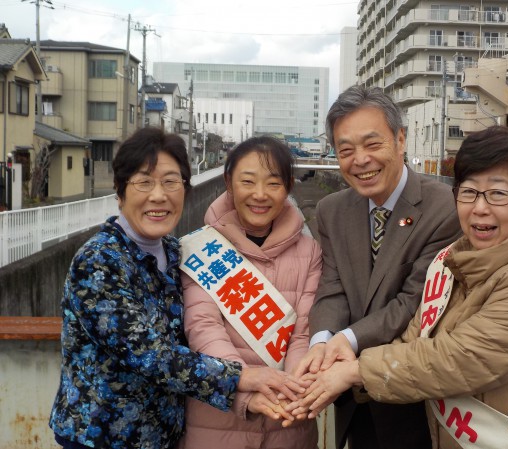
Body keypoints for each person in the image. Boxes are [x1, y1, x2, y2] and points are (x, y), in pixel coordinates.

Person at [298, 126, 508, 449]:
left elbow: (456, 359)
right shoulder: (456, 257)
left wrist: (355, 371)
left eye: (499, 194)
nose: (480, 207)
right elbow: (417, 334)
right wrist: (347, 361)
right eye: (468, 192)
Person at [49, 127, 305, 449]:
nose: (159, 196)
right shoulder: (98, 262)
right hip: (103, 436)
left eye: (171, 182)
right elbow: (148, 354)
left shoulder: (176, 251)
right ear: (120, 191)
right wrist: (242, 377)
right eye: (144, 182)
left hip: (165, 434)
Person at [294, 85, 462, 449]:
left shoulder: (443, 208)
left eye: (373, 144)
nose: (361, 160)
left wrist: (346, 339)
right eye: (346, 150)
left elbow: (413, 301)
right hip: (351, 400)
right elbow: (333, 286)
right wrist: (321, 341)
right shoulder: (332, 210)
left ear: (400, 140)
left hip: (413, 400)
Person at [179, 136, 322, 449]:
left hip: (289, 422)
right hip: (215, 424)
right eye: (247, 181)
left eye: (273, 183)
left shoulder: (310, 252)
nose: (260, 195)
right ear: (229, 183)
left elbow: (303, 332)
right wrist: (243, 384)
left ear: (288, 187)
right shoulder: (201, 249)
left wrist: (293, 388)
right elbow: (203, 326)